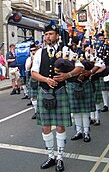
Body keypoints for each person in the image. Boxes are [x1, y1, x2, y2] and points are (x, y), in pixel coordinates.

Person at [31, 24, 79, 172]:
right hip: (44, 91)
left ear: (57, 36)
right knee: (45, 126)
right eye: (46, 34)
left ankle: (60, 157)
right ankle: (50, 156)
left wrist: (67, 75)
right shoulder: (40, 53)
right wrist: (46, 80)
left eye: (51, 34)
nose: (47, 37)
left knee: (59, 126)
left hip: (60, 91)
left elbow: (79, 67)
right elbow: (33, 72)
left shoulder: (65, 51)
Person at [25, 42, 39, 119]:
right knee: (33, 97)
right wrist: (32, 60)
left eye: (34, 50)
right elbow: (27, 68)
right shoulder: (29, 59)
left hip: (41, 78)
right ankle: (36, 112)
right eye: (32, 50)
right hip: (33, 78)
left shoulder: (41, 57)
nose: (33, 52)